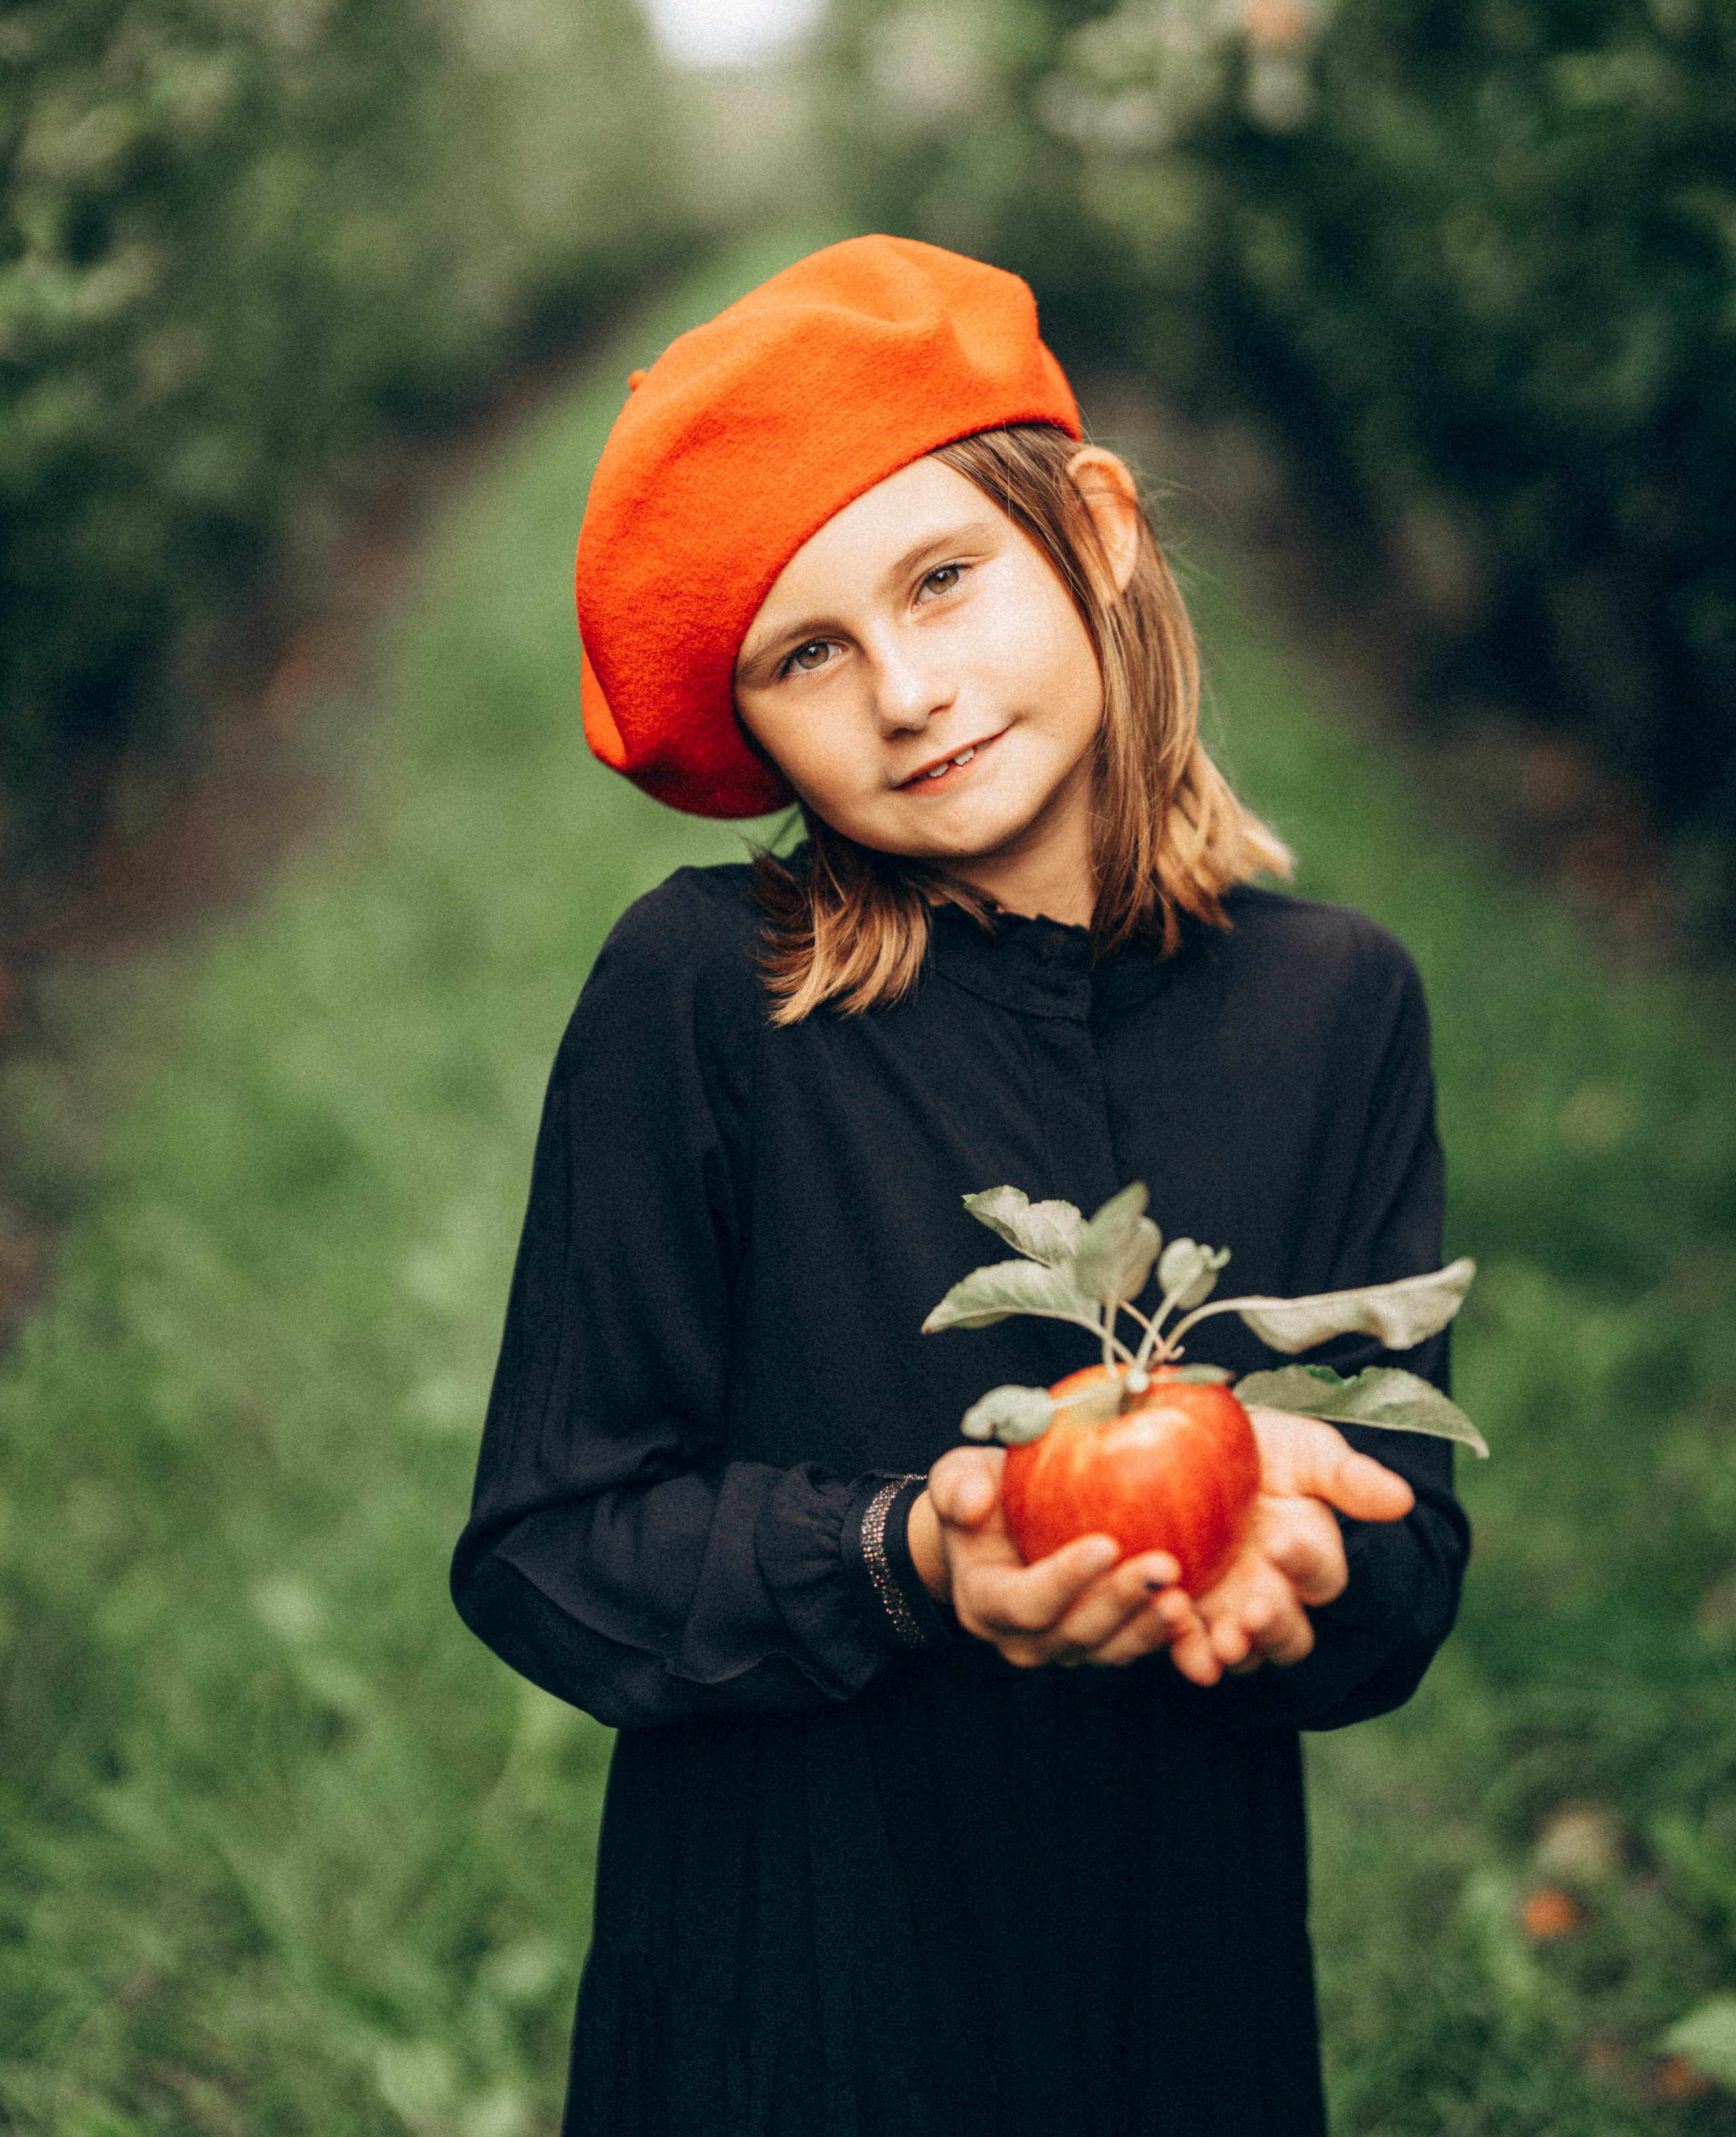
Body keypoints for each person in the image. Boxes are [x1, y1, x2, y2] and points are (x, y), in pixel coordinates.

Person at [452, 235, 1470, 2137]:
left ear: (1090, 530)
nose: (908, 690)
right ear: (749, 720)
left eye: (942, 578)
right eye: (809, 654)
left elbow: (1405, 1567)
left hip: (1179, 1991)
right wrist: (910, 1555)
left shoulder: (1335, 1006)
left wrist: (1317, 1566)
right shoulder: (709, 999)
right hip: (795, 1989)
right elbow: (551, 1545)